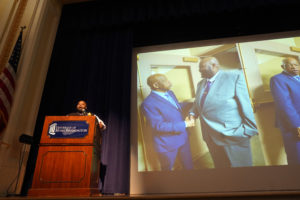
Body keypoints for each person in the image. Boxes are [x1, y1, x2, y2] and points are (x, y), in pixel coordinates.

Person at [189, 57, 258, 168]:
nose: (199, 70)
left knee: (242, 171)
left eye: (202, 67)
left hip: (232, 134)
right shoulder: (200, 83)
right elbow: (198, 103)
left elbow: (246, 105)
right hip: (210, 136)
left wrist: (248, 130)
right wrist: (192, 114)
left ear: (214, 65)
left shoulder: (234, 76)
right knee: (221, 168)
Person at [141, 73, 195, 170]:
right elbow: (158, 126)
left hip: (183, 137)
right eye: (165, 81)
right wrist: (185, 124)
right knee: (167, 171)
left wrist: (194, 102)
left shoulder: (170, 93)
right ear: (156, 85)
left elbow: (176, 107)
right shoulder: (148, 104)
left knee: (188, 166)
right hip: (167, 144)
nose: (169, 82)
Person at [270, 57, 300, 165]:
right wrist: (296, 125)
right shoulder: (277, 79)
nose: (294, 67)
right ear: (283, 67)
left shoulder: (298, 78)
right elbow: (284, 104)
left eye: (296, 64)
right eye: (290, 64)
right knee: (296, 155)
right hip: (292, 124)